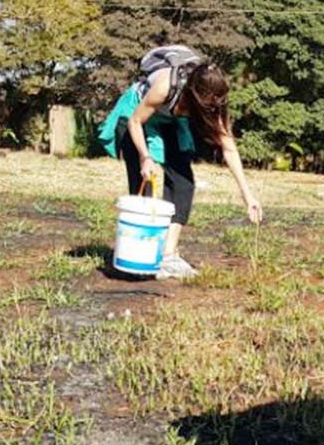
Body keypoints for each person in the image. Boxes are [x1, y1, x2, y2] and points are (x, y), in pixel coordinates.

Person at [99, 46, 262, 279]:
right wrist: (146, 158)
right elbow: (136, 122)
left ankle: (168, 256)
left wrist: (248, 196)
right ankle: (141, 255)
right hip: (137, 118)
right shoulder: (165, 87)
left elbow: (228, 146)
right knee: (144, 186)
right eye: (207, 105)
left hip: (170, 122)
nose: (212, 109)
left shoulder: (213, 101)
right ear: (194, 94)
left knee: (183, 183)